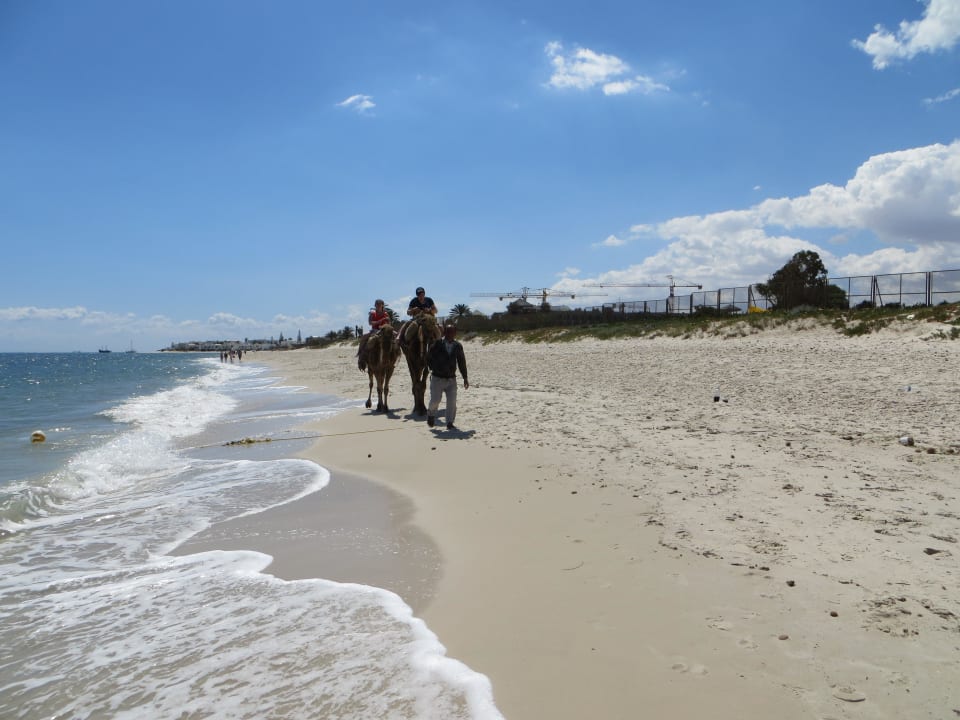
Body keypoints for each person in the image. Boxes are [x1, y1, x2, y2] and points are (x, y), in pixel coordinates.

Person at [426, 324, 469, 430]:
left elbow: (461, 361)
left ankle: (450, 422)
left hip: (451, 379)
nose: (450, 334)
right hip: (437, 378)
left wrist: (465, 377)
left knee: (452, 402)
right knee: (435, 400)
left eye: (453, 332)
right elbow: (428, 357)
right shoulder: (437, 344)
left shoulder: (457, 346)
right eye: (448, 332)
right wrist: (431, 367)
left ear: (455, 334)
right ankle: (431, 414)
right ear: (444, 333)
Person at [357, 299, 391, 371]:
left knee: (396, 337)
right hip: (374, 330)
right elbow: (370, 323)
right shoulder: (373, 313)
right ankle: (361, 355)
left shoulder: (386, 314)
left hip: (384, 331)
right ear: (375, 305)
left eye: (379, 304)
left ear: (382, 305)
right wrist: (380, 321)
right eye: (377, 304)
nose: (378, 306)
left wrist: (387, 323)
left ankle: (395, 356)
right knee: (364, 337)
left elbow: (389, 324)